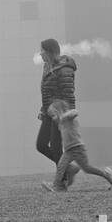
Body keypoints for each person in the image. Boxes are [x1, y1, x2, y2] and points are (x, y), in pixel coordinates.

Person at [42, 100, 112, 191]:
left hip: (78, 148)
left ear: (59, 111)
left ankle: (106, 174)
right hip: (69, 150)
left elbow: (75, 112)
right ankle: (57, 186)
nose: (53, 118)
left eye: (53, 115)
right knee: (61, 166)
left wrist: (65, 115)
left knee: (87, 168)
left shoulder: (68, 118)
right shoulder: (61, 123)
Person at [35, 37, 79, 186]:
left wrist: (68, 115)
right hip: (49, 112)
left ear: (49, 52)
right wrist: (43, 109)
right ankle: (69, 168)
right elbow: (47, 92)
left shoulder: (65, 69)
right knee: (41, 145)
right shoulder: (47, 66)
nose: (40, 53)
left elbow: (68, 93)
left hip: (60, 113)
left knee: (55, 146)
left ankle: (62, 182)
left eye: (42, 50)